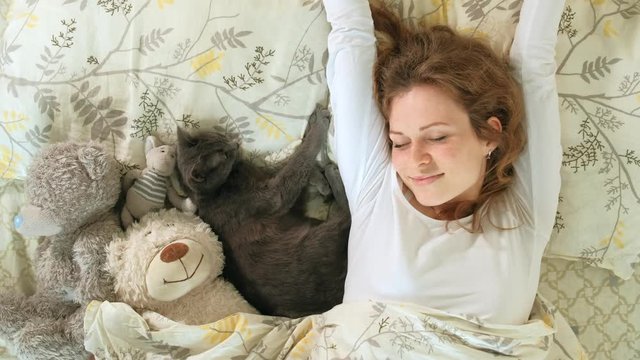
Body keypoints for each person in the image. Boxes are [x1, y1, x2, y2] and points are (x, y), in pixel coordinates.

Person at [323, 0, 564, 325]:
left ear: (489, 135)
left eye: (437, 137)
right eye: (400, 142)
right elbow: (350, 33)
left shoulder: (523, 214)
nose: (415, 160)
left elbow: (533, 68)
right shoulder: (375, 192)